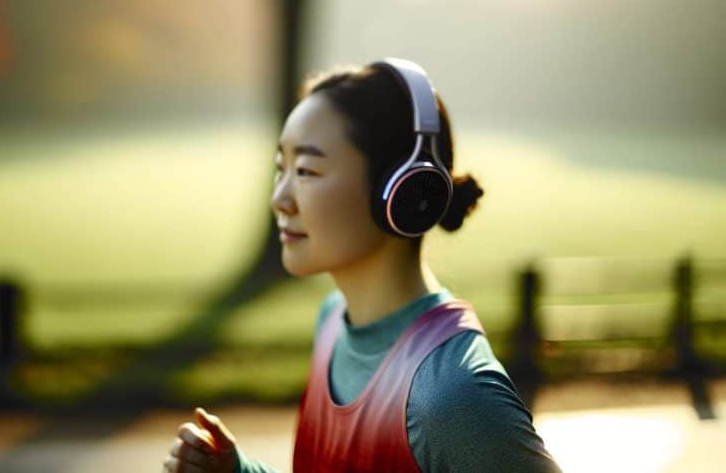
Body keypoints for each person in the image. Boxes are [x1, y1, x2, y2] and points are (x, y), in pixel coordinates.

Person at [165, 59, 560, 472]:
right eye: (281, 168)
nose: (280, 198)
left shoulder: (450, 397)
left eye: (306, 170)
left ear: (402, 191)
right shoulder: (334, 319)